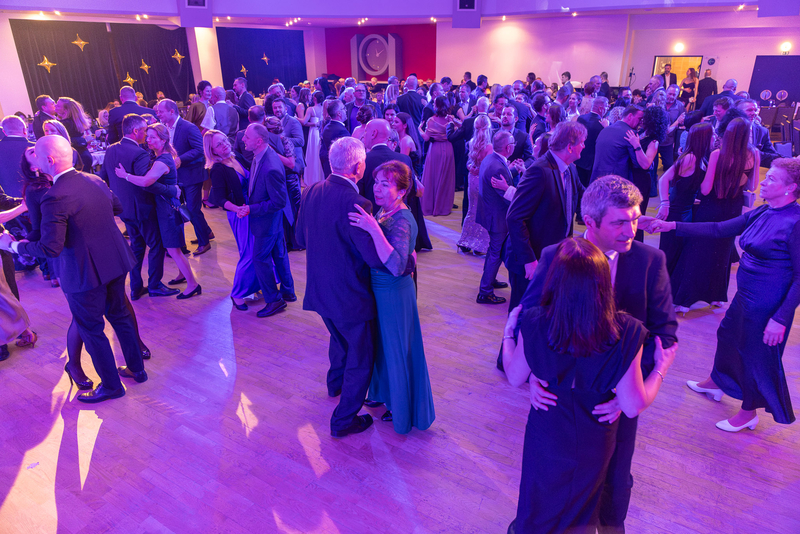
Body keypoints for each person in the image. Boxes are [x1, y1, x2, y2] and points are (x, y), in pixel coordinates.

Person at [519, 175, 679, 533]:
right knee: (551, 482)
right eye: (620, 222)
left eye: (635, 219)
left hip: (613, 406)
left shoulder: (650, 261)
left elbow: (665, 334)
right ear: (590, 221)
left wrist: (627, 395)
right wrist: (534, 375)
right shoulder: (556, 255)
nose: (631, 230)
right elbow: (531, 317)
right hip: (560, 406)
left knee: (615, 478)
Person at [642, 158, 800, 431]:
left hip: (767, 305)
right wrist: (671, 226)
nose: (762, 181)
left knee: (756, 356)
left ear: (791, 188)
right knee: (727, 336)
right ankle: (717, 383)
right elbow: (718, 229)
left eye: (771, 179)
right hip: (746, 296)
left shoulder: (795, 223)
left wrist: (781, 318)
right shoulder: (764, 211)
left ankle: (748, 413)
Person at [3, 135, 147, 402]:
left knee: (91, 328)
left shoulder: (54, 196)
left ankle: (112, 387)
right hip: (115, 261)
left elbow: (50, 248)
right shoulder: (94, 180)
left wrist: (13, 246)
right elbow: (117, 207)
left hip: (84, 273)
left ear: (49, 160)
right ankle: (137, 370)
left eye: (38, 156)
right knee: (120, 316)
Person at [296, 137, 386, 438]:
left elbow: (299, 238)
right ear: (358, 167)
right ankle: (344, 420)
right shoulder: (357, 203)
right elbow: (373, 258)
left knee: (339, 339)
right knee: (361, 357)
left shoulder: (311, 191)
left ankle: (335, 384)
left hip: (319, 290)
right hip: (349, 295)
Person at [348, 161, 435, 433]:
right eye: (376, 182)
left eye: (385, 184)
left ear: (402, 191)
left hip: (394, 294)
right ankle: (384, 393)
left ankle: (401, 407)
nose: (377, 188)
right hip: (381, 291)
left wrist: (373, 229)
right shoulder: (386, 210)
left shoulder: (403, 219)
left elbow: (397, 266)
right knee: (384, 348)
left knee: (397, 350)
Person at [669, 118, 759, 311]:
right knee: (722, 253)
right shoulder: (754, 154)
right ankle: (717, 297)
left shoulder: (718, 154)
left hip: (712, 207)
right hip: (733, 209)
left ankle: (685, 300)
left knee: (696, 250)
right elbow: (752, 186)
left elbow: (706, 189)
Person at [506, 120, 587, 314]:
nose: (584, 146)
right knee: (523, 315)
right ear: (570, 147)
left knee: (543, 313)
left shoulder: (570, 168)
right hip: (530, 260)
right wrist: (529, 260)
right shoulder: (539, 171)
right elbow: (515, 217)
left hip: (552, 255)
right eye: (582, 142)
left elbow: (585, 197)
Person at [115, 124, 201, 300]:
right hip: (164, 209)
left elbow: (146, 182)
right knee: (174, 247)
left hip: (168, 210)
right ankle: (182, 274)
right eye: (147, 136)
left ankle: (193, 285)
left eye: (153, 137)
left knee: (173, 249)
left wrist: (125, 176)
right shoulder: (160, 157)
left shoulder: (163, 161)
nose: (148, 140)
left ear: (163, 140)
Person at [100, 114, 179, 300]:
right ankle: (155, 285)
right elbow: (148, 184)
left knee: (136, 247)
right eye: (144, 130)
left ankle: (135, 288)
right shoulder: (139, 153)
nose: (146, 135)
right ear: (135, 131)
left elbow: (103, 177)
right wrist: (172, 190)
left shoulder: (111, 149)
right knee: (156, 245)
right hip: (142, 209)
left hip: (123, 209)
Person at [241, 124, 295, 316]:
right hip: (272, 221)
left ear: (259, 141)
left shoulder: (270, 166)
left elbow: (279, 202)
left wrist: (251, 208)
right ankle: (288, 291)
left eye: (247, 137)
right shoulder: (261, 155)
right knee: (279, 255)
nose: (243, 139)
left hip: (267, 222)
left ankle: (274, 300)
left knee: (259, 259)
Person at [205, 129, 260, 311]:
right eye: (218, 144)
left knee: (256, 250)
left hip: (250, 209)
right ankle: (237, 294)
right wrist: (238, 209)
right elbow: (219, 199)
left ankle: (253, 287)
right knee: (248, 253)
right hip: (239, 214)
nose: (224, 145)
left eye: (224, 140)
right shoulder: (218, 169)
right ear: (212, 151)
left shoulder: (237, 157)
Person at [156, 99, 213, 256]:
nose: (158, 114)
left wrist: (181, 159)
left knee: (193, 209)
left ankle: (204, 242)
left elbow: (199, 150)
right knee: (188, 208)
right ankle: (207, 232)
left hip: (192, 174)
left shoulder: (188, 127)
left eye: (160, 111)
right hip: (178, 176)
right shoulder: (165, 128)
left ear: (171, 111)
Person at [655, 123, 713, 274]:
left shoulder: (700, 157)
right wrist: (664, 204)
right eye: (711, 135)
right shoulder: (690, 158)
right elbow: (664, 179)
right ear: (704, 138)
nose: (714, 138)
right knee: (670, 254)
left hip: (686, 210)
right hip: (677, 211)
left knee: (677, 253)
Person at [475, 130, 516, 305]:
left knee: (493, 250)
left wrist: (513, 170)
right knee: (496, 253)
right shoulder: (498, 167)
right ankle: (485, 292)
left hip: (490, 213)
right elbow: (507, 196)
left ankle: (489, 280)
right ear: (508, 147)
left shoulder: (490, 158)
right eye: (513, 143)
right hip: (497, 217)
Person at [625, 105, 668, 241]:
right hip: (634, 178)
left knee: (637, 215)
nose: (642, 120)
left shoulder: (653, 141)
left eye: (645, 118)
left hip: (641, 180)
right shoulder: (643, 133)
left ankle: (636, 244)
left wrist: (636, 145)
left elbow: (645, 164)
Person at [457, 114, 492, 256]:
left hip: (472, 178)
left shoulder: (472, 142)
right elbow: (487, 167)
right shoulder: (489, 147)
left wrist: (471, 168)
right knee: (482, 211)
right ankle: (479, 245)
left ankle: (465, 242)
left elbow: (469, 163)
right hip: (482, 180)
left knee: (471, 210)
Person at [419, 96, 456, 216]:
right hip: (448, 149)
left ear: (437, 106)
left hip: (435, 149)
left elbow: (426, 138)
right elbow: (460, 129)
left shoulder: (431, 120)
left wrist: (419, 129)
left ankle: (431, 206)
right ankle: (443, 207)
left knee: (432, 176)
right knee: (446, 177)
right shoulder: (451, 120)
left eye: (435, 104)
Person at [575, 97, 609, 222]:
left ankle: (578, 214)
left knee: (579, 187)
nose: (607, 108)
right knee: (590, 190)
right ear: (601, 108)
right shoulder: (602, 124)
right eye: (607, 106)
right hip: (594, 162)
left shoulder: (581, 118)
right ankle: (586, 215)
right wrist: (607, 127)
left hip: (580, 158)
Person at [590, 105, 644, 183]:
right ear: (630, 116)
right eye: (639, 119)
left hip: (597, 179)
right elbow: (637, 163)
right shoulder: (630, 134)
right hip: (615, 182)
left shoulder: (605, 130)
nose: (641, 123)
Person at [319, 99, 350, 178]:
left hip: (327, 165)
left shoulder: (327, 126)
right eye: (343, 108)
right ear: (339, 113)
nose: (346, 110)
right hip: (338, 170)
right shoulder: (342, 131)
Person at [302, 91, 325, 187]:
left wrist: (296, 118)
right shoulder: (324, 108)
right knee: (319, 154)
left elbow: (304, 122)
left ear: (314, 98)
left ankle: (312, 178)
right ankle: (321, 177)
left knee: (313, 154)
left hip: (314, 133)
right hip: (321, 132)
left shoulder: (310, 109)